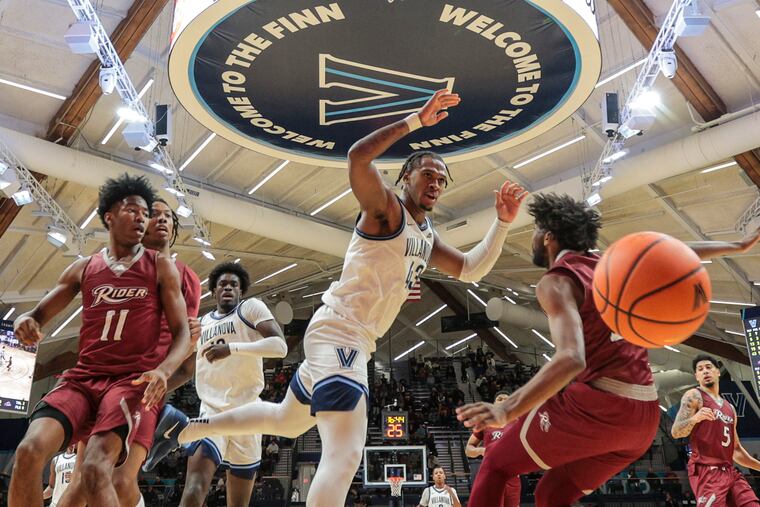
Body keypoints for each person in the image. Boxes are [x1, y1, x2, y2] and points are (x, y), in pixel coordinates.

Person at [145, 89, 525, 506]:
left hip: (344, 337)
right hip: (342, 335)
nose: (435, 183)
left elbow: (470, 268)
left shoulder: (426, 235)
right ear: (406, 177)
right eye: (427, 174)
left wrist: (502, 224)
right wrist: (416, 120)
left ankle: (185, 427)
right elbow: (358, 158)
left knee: (287, 421)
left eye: (441, 179)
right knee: (344, 456)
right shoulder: (386, 209)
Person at [456, 193, 760, 506]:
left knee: (496, 463)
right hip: (644, 418)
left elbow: (571, 358)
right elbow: (674, 251)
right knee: (552, 493)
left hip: (601, 407)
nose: (533, 237)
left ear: (548, 236)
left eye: (536, 230)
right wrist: (737, 246)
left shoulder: (557, 281)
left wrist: (506, 410)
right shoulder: (612, 262)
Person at [8, 173, 192, 506]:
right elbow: (35, 315)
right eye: (132, 210)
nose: (141, 218)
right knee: (28, 451)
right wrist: (25, 321)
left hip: (129, 382)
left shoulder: (161, 266)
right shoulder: (84, 267)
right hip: (82, 379)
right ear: (109, 216)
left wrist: (163, 371)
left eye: (145, 213)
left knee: (94, 471)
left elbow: (182, 334)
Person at [56, 198, 202, 507]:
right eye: (154, 215)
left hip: (139, 385)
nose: (162, 220)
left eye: (168, 216)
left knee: (120, 481)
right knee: (81, 481)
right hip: (98, 381)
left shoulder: (184, 276)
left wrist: (158, 385)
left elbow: (186, 346)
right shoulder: (110, 266)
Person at [148, 261, 287, 507]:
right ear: (214, 291)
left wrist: (231, 349)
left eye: (234, 284)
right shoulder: (201, 324)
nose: (228, 288)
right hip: (212, 412)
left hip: (247, 415)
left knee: (238, 503)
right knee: (194, 488)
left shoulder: (250, 308)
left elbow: (280, 347)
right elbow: (185, 371)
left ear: (241, 290)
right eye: (222, 284)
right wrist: (153, 390)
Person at [671, 354, 760, 506]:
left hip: (729, 470)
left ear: (718, 372)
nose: (705, 371)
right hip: (706, 470)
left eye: (708, 367)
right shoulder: (694, 396)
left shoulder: (730, 408)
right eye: (700, 369)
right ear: (696, 376)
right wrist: (695, 418)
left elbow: (736, 451)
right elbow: (676, 432)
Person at [465, 391, 520, 507]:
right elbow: (468, 449)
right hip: (491, 474)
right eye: (500, 399)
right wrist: (482, 451)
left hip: (512, 475)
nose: (503, 401)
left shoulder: (519, 422)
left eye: (507, 399)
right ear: (494, 404)